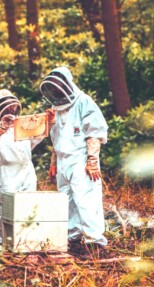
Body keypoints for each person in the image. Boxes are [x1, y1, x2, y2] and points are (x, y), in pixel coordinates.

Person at [39, 66, 108, 256]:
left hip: (80, 159)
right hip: (63, 161)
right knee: (66, 200)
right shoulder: (56, 109)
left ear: (68, 84)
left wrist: (92, 161)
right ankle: (74, 238)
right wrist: (53, 163)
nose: (55, 92)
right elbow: (56, 138)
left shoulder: (84, 102)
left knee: (86, 200)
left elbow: (95, 133)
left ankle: (96, 243)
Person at [0, 89, 44, 245]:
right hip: (6, 170)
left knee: (29, 205)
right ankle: (4, 242)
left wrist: (48, 124)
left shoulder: (22, 123)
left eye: (13, 105)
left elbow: (33, 141)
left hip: (27, 169)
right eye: (7, 105)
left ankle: (26, 242)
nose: (11, 109)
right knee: (7, 209)